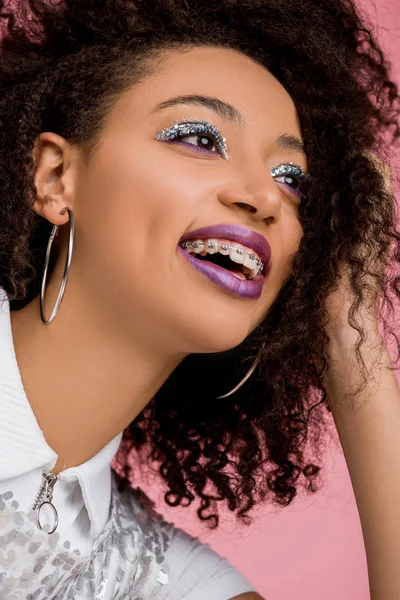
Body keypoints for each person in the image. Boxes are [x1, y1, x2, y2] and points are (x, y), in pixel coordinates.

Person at [0, 0, 399, 598]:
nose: (263, 197)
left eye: (292, 180)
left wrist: (350, 340)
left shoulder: (163, 582)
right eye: (198, 137)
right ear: (57, 178)